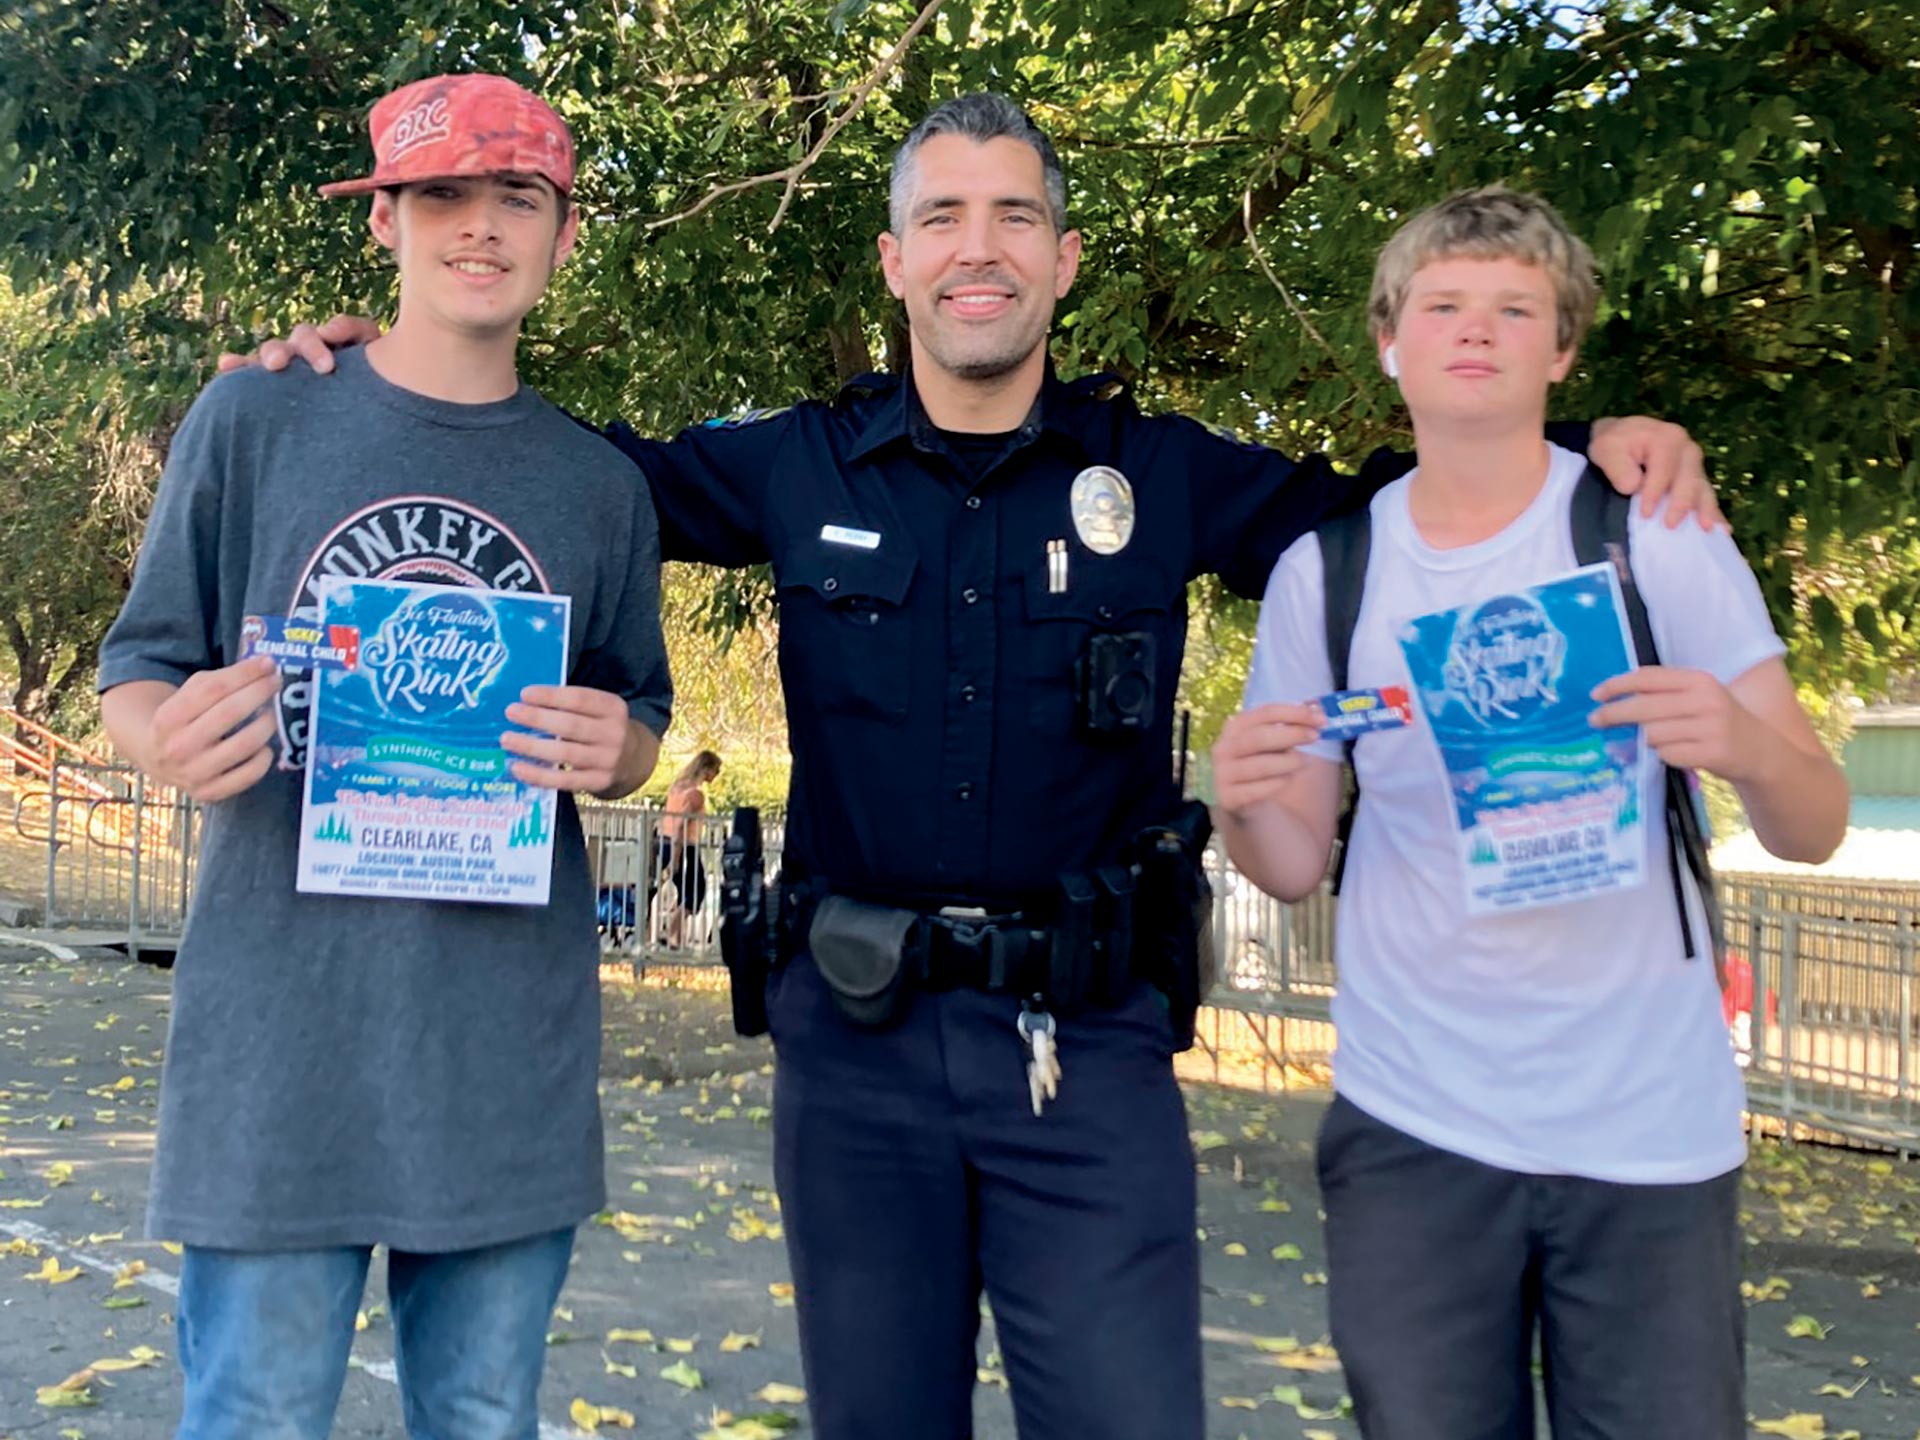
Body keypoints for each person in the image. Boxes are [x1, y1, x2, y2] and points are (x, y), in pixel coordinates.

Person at [236, 95, 1720, 1440]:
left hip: (1094, 1055)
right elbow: (560, 464)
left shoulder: (1166, 473)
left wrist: (1591, 439)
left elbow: (1399, 510)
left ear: (1064, 260)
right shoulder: (795, 466)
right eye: (941, 216)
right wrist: (384, 372)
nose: (978, 249)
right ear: (894, 262)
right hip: (855, 1051)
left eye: (1015, 216)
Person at [1212, 188, 1847, 1439]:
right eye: (1443, 303)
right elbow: (1290, 862)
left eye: (1517, 308)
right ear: (1389, 339)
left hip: (1647, 1134)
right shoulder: (1327, 575)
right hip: (1413, 1128)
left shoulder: (1655, 536)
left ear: (1563, 351)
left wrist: (1741, 746)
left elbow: (1814, 820)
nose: (1476, 330)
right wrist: (1239, 806)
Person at [97, 73, 671, 1440]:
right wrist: (168, 742)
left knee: (481, 1416)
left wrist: (623, 749)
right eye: (441, 195)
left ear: (564, 231)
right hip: (273, 1045)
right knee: (256, 1415)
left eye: (516, 197)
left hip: (500, 1062)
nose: (479, 227)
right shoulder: (256, 419)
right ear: (386, 224)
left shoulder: (599, 486)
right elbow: (138, 666)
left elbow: (638, 717)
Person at [654, 748, 721, 946]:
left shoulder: (677, 788)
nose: (716, 776)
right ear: (706, 769)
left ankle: (676, 938)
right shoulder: (695, 794)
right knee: (696, 891)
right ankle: (670, 930)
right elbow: (680, 824)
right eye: (715, 771)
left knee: (684, 891)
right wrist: (676, 854)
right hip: (684, 846)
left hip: (665, 842)